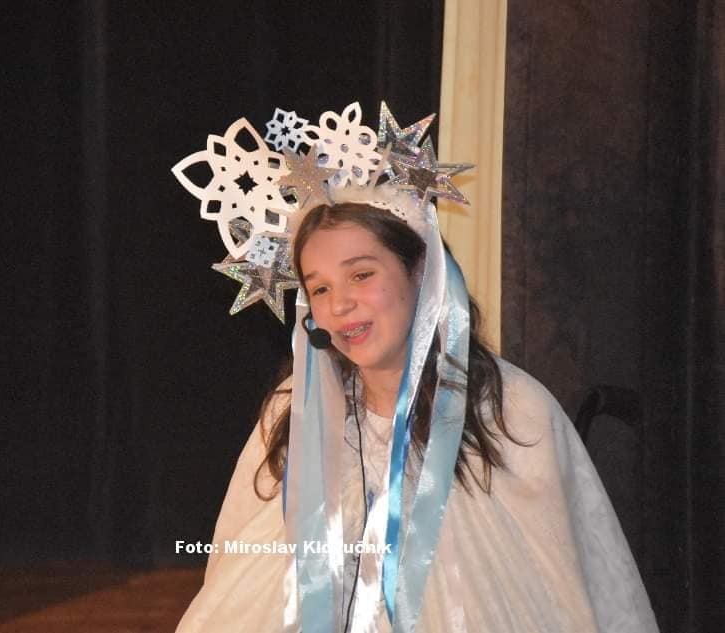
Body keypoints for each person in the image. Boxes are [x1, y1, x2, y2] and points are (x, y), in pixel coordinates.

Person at [171, 103, 659, 632]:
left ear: (419, 270)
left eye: (361, 275)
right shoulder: (295, 409)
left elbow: (568, 582)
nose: (340, 305)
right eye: (321, 289)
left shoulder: (509, 407)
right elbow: (236, 559)